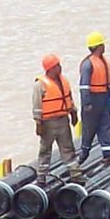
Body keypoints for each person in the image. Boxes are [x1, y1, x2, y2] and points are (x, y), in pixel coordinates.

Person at [32, 53, 81, 182]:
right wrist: (38, 123)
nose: (60, 67)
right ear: (50, 68)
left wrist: (74, 113)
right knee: (45, 149)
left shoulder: (63, 81)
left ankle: (75, 173)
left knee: (68, 147)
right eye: (57, 65)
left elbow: (69, 99)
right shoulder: (40, 85)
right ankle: (41, 175)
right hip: (48, 123)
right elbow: (37, 105)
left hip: (63, 120)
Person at [77, 32, 110, 166]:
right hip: (93, 99)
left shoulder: (103, 61)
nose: (104, 46)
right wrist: (87, 103)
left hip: (103, 97)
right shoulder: (88, 64)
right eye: (102, 44)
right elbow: (84, 86)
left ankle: (108, 153)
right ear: (98, 46)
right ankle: (83, 153)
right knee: (89, 128)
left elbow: (108, 82)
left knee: (105, 125)